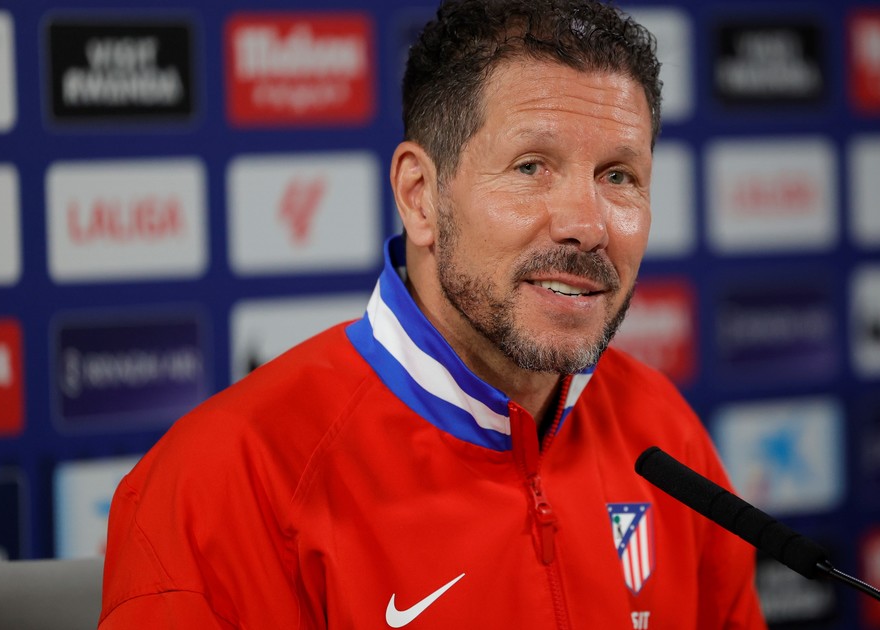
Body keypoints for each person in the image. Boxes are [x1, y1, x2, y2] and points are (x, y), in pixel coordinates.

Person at [98, 0, 765, 627]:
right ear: (420, 197)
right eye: (531, 167)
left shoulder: (663, 430)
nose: (588, 226)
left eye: (619, 176)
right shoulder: (222, 481)